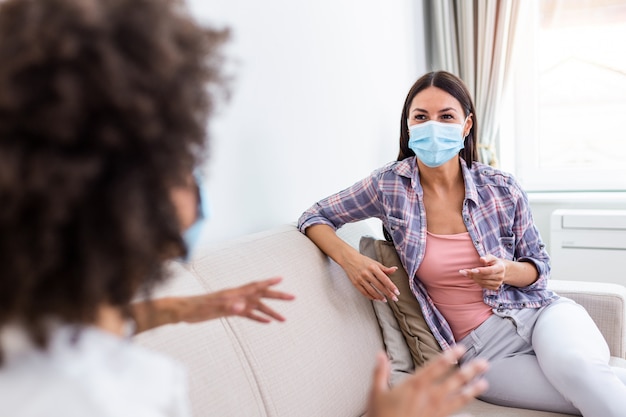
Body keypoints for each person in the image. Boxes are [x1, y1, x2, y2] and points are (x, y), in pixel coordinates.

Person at [0, 0, 487, 415]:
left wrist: (180, 308)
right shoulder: (123, 394)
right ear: (131, 194)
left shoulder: (33, 331)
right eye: (186, 156)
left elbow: (83, 332)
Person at [298, 70, 626, 416]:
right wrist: (351, 260)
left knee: (579, 372)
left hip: (541, 316)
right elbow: (314, 216)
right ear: (408, 126)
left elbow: (538, 268)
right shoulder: (389, 186)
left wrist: (505, 271)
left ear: (466, 125)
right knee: (588, 394)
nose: (433, 126)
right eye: (421, 117)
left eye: (446, 116)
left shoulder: (501, 187)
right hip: (482, 355)